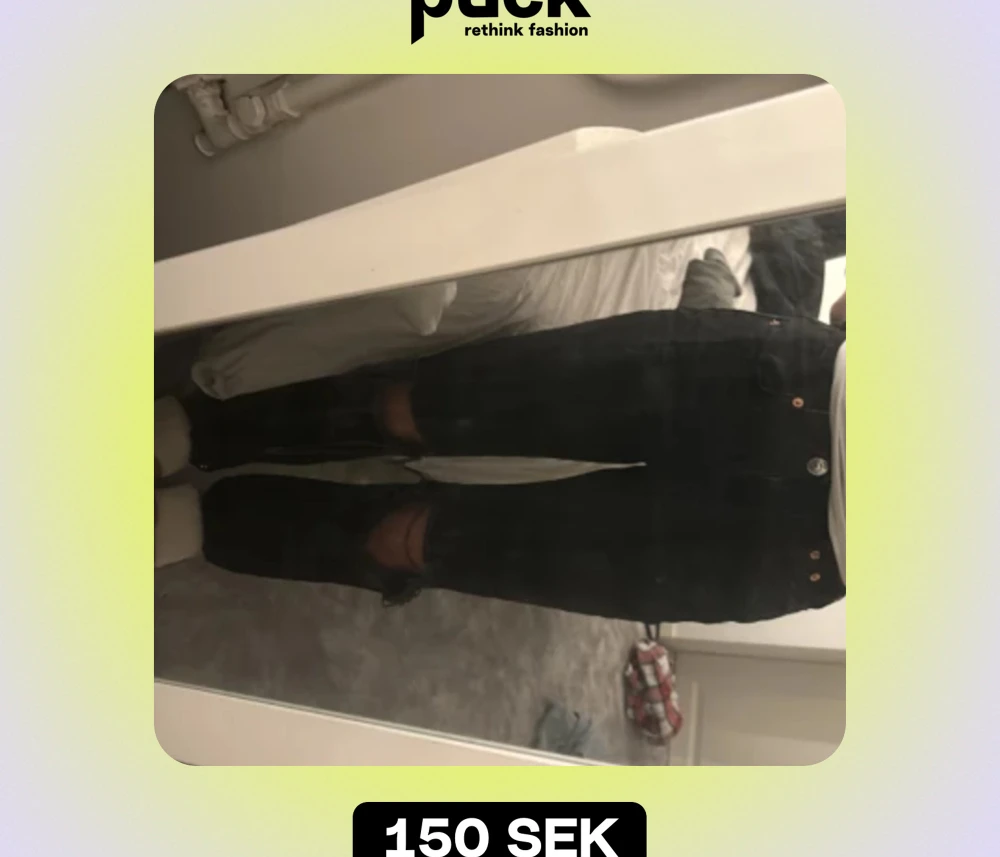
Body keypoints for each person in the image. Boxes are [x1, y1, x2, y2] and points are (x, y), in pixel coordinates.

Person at [154, 303, 846, 625]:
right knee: (430, 403)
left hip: (795, 552)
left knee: (421, 543)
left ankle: (205, 529)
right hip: (784, 388)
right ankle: (203, 427)